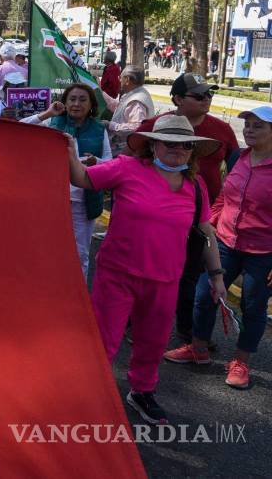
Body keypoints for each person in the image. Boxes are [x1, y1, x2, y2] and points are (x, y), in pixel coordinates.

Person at [68, 115, 224, 424]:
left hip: (165, 280)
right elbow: (82, 178)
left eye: (185, 145)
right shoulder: (127, 168)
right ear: (153, 145)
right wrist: (68, 151)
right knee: (103, 339)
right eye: (169, 142)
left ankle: (141, 390)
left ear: (193, 151)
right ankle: (88, 393)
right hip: (117, 275)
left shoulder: (195, 186)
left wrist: (217, 275)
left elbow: (206, 231)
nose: (177, 149)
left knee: (152, 342)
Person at [164, 106, 272, 390]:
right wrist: (209, 224)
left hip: (263, 252)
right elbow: (225, 196)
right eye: (248, 124)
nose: (249, 130)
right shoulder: (240, 158)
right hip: (225, 241)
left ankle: (241, 362)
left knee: (253, 307)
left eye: (258, 126)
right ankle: (198, 348)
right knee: (204, 295)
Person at [134, 73, 240, 341]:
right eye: (200, 95)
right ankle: (135, 322)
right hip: (158, 217)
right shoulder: (156, 126)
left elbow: (238, 169)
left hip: (202, 218)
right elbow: (131, 160)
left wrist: (226, 209)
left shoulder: (222, 130)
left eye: (209, 94)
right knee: (148, 271)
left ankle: (186, 328)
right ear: (178, 99)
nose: (207, 99)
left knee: (190, 273)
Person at [24, 83, 112, 279]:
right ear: (65, 102)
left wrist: (96, 162)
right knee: (48, 248)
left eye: (82, 100)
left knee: (79, 254)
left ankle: (77, 293)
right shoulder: (53, 122)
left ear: (91, 105)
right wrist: (48, 113)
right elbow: (21, 127)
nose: (76, 104)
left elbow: (109, 162)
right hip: (51, 200)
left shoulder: (99, 129)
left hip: (84, 203)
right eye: (72, 99)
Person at [103, 66, 155, 157]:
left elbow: (137, 127)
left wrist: (110, 125)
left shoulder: (136, 101)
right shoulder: (137, 93)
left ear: (127, 80)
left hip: (126, 152)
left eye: (120, 77)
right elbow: (120, 109)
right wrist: (101, 93)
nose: (119, 80)